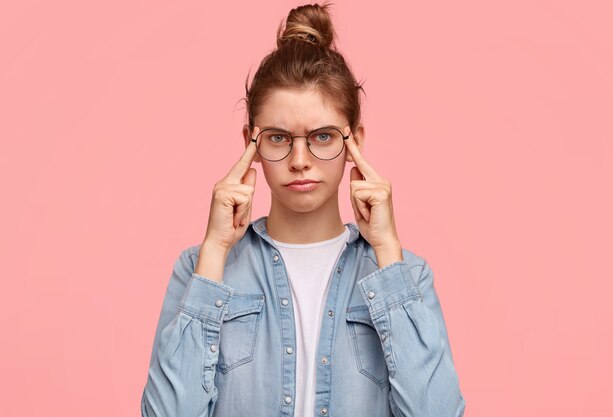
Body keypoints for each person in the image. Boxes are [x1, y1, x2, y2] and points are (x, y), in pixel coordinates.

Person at [140, 3, 465, 416]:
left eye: (323, 136)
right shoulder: (201, 270)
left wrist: (386, 248)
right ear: (250, 143)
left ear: (354, 142)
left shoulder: (404, 273)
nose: (299, 160)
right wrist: (214, 250)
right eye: (278, 138)